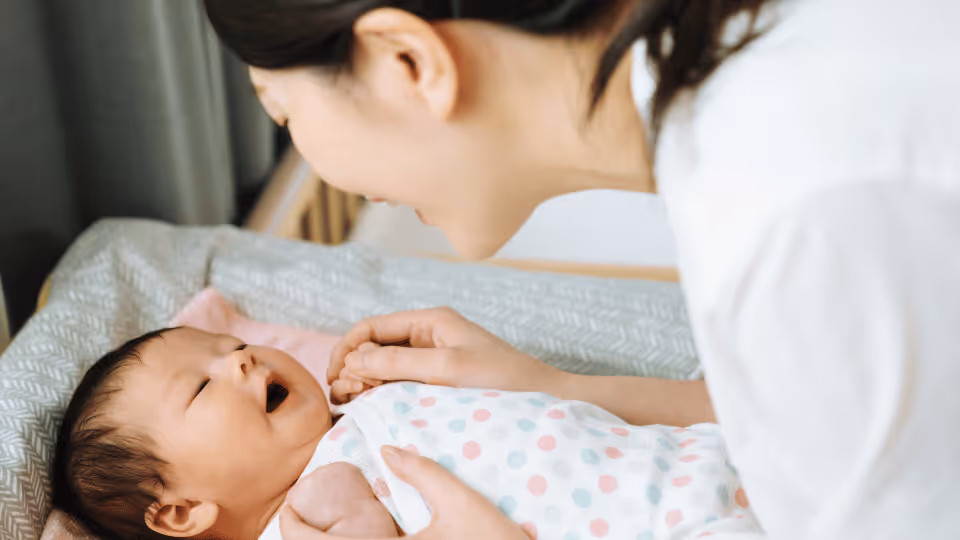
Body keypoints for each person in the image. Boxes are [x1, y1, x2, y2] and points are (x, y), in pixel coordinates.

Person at [203, 0, 960, 538]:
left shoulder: (791, 219)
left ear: (409, 61)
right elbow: (815, 416)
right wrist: (560, 391)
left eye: (283, 113)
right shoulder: (760, 95)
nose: (317, 166)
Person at [52, 326, 757, 540]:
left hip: (701, 459)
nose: (239, 358)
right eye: (203, 385)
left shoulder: (355, 419)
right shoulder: (296, 524)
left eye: (229, 342)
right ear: (179, 510)